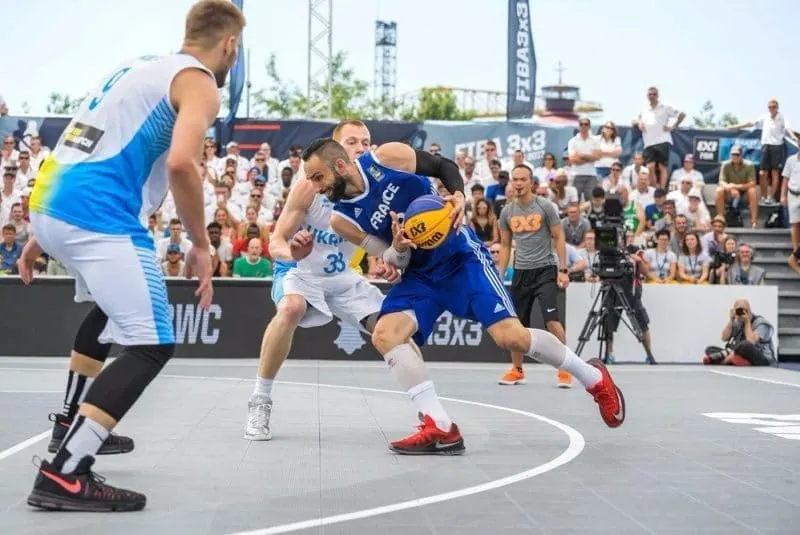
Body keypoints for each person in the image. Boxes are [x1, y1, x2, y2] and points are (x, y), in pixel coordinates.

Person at [16, 0, 245, 512]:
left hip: (57, 200)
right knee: (151, 342)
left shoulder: (138, 67)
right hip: (97, 214)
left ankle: (69, 426)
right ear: (230, 44)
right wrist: (202, 246)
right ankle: (67, 471)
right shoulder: (199, 81)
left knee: (111, 312)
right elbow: (185, 164)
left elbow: (81, 140)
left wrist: (43, 230)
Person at [302, 138, 627, 455]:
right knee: (385, 334)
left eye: (318, 178)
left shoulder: (386, 158)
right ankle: (440, 425)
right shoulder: (341, 219)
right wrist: (398, 248)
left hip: (461, 257)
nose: (315, 188)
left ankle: (594, 378)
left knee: (511, 338)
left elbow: (443, 167)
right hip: (420, 276)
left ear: (340, 165)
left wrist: (458, 196)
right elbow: (391, 259)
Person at [243, 120, 388, 441]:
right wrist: (293, 252)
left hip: (342, 277)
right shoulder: (308, 188)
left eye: (366, 141)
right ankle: (260, 400)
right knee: (292, 308)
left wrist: (392, 260)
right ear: (334, 151)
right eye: (353, 142)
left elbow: (383, 239)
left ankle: (431, 414)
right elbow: (276, 241)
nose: (362, 147)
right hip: (301, 273)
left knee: (391, 331)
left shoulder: (376, 188)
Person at [496, 165, 574, 388]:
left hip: (545, 270)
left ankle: (565, 369)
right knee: (517, 326)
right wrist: (500, 276)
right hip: (521, 272)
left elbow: (558, 238)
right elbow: (504, 244)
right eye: (515, 180)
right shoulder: (507, 212)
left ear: (531, 182)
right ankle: (517, 370)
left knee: (552, 321)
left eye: (522, 179)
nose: (518, 184)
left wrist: (563, 269)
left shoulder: (545, 206)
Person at [704, 299, 775, 366]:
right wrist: (731, 320)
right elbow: (724, 338)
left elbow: (751, 341)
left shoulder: (761, 323)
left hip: (762, 358)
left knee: (745, 344)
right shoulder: (738, 323)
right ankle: (737, 360)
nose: (741, 313)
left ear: (749, 310)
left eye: (744, 310)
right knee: (710, 349)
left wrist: (747, 322)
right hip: (740, 354)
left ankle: (725, 360)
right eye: (739, 310)